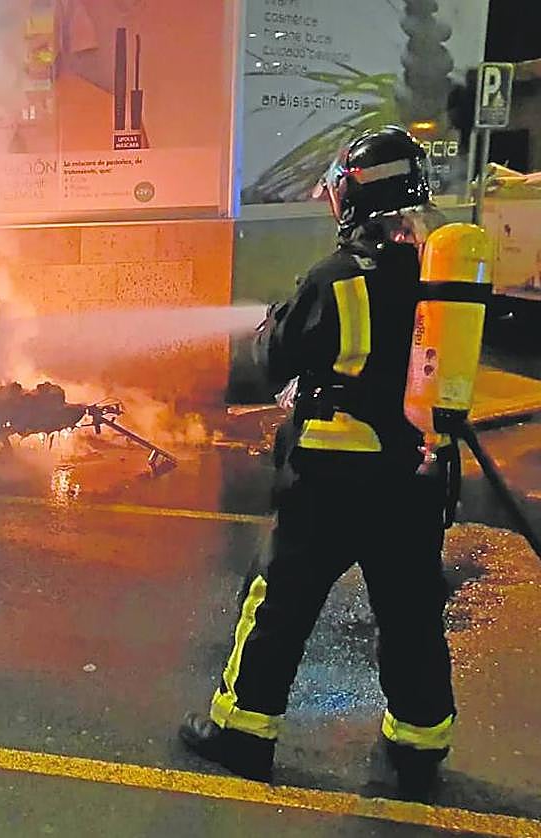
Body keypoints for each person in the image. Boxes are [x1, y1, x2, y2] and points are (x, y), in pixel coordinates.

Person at [179, 126, 457, 799]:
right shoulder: (441, 284)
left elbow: (272, 358)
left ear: (356, 197)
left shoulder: (334, 280)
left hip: (329, 483)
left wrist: (273, 322)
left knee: (277, 605)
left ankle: (243, 733)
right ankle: (419, 744)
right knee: (412, 610)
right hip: (414, 481)